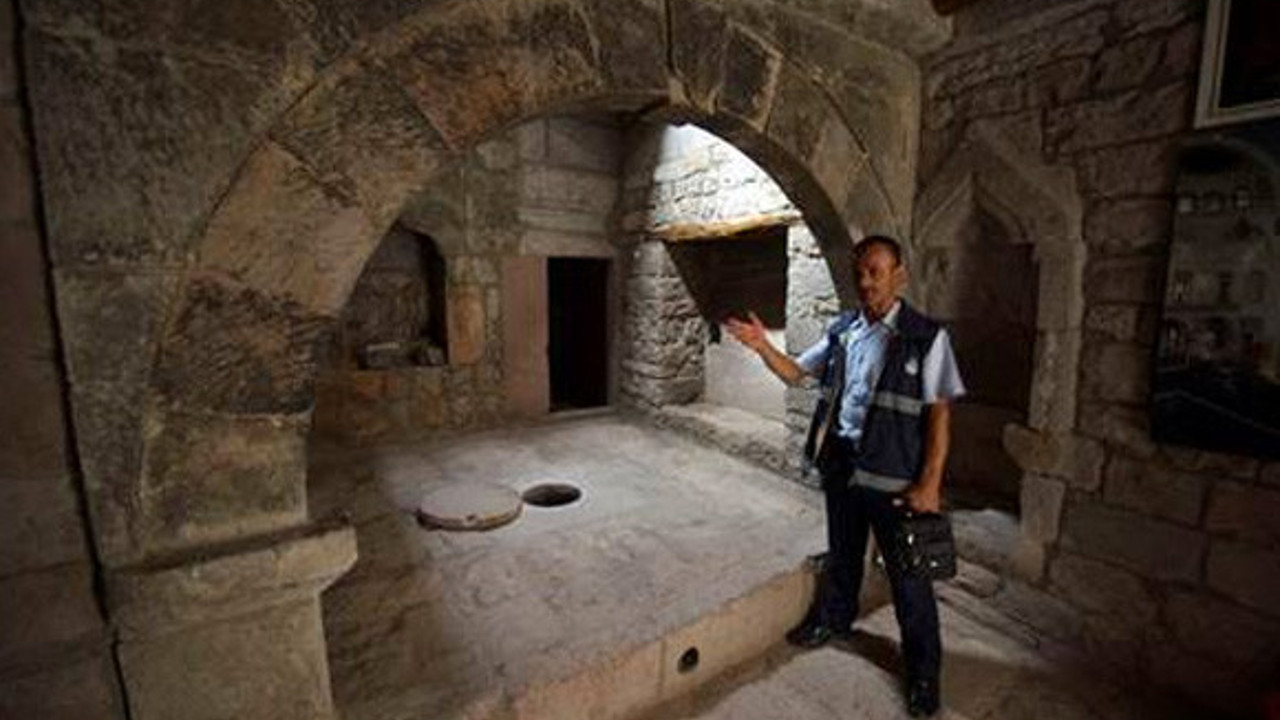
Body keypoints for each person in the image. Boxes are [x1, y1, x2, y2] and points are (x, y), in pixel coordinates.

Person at [725, 235, 964, 718]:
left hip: (895, 482)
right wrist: (763, 346)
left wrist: (930, 484)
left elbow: (940, 413)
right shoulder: (843, 331)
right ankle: (834, 620)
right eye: (860, 273)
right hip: (844, 468)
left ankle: (923, 673)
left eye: (876, 272)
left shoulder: (927, 337)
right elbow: (796, 373)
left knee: (909, 580)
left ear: (899, 276)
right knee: (844, 556)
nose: (866, 282)